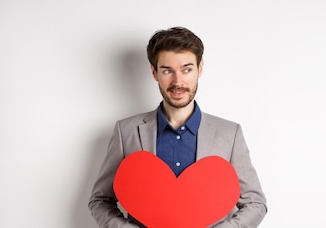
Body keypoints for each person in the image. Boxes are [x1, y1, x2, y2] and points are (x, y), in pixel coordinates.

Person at [88, 26, 267, 228]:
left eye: (186, 69)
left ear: (200, 69)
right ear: (154, 72)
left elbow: (255, 202)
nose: (178, 81)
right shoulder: (126, 131)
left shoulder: (230, 134)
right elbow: (100, 200)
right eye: (167, 71)